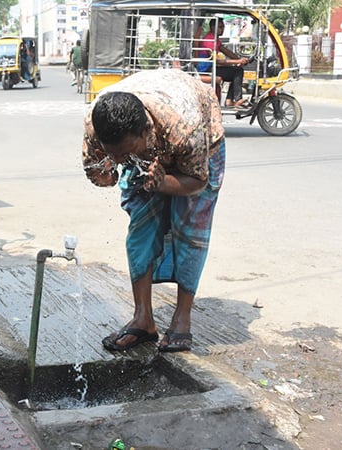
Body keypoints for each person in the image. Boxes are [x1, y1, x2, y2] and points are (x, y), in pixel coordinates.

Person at [81, 69, 225, 353]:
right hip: (156, 135)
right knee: (141, 227)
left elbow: (198, 181)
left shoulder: (185, 129)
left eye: (125, 152)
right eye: (113, 153)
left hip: (199, 139)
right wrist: (110, 169)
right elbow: (99, 175)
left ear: (146, 131)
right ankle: (143, 318)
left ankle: (182, 317)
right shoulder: (95, 127)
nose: (118, 159)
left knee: (189, 226)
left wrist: (164, 183)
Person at [197, 18, 250, 108]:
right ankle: (236, 99)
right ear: (213, 27)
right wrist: (238, 61)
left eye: (223, 27)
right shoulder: (209, 40)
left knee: (237, 71)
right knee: (237, 71)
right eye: (220, 27)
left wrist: (240, 59)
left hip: (211, 68)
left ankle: (230, 101)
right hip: (206, 70)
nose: (222, 29)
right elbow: (217, 60)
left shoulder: (215, 40)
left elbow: (226, 51)